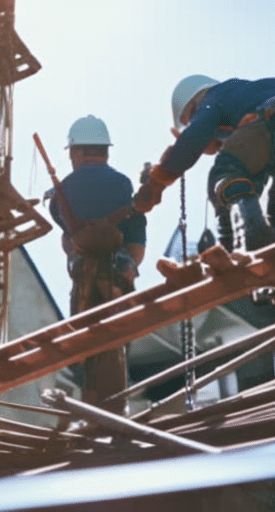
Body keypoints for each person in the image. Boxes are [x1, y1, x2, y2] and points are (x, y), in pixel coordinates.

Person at [49, 115, 147, 414]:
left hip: (84, 282)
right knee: (116, 348)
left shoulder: (62, 193)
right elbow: (137, 247)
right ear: (105, 151)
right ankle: (115, 413)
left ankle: (95, 415)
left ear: (77, 151)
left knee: (87, 352)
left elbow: (68, 240)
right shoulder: (123, 184)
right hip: (119, 277)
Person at [134, 74, 275, 252]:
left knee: (226, 174)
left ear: (196, 102)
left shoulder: (213, 98)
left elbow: (194, 139)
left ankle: (246, 243)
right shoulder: (245, 96)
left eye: (193, 118)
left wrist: (156, 183)